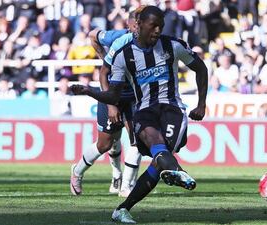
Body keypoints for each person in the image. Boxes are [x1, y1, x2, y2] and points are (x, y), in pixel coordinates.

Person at [71, 5, 208, 223]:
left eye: (160, 27)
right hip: (143, 110)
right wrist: (90, 91)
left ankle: (125, 206)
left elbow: (201, 68)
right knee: (147, 147)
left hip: (172, 109)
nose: (157, 31)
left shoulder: (173, 46)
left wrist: (202, 104)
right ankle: (172, 172)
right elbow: (113, 93)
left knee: (159, 159)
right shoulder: (123, 52)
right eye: (153, 26)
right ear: (139, 25)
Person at [70, 9, 143, 197]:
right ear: (129, 25)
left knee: (138, 140)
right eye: (136, 25)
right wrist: (103, 56)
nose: (139, 29)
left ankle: (126, 186)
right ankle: (77, 172)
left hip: (134, 98)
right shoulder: (116, 38)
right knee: (105, 144)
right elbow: (93, 35)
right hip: (112, 96)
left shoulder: (150, 42)